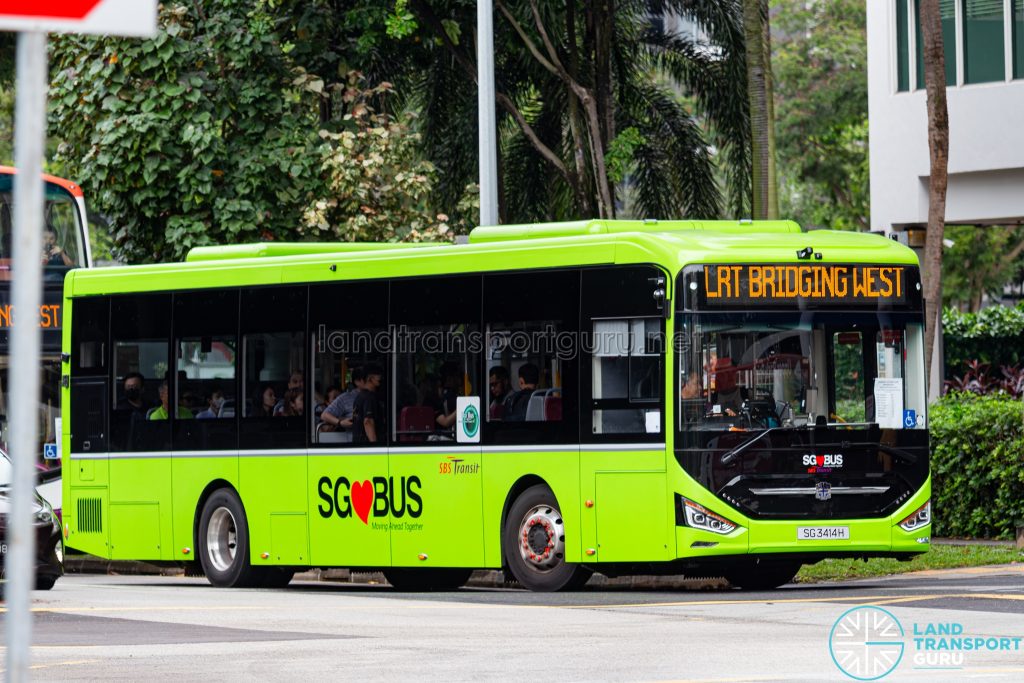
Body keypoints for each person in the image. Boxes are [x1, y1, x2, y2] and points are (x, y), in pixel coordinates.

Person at [320, 366, 365, 431]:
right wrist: (340, 422)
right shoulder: (346, 397)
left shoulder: (374, 396)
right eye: (369, 379)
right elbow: (325, 415)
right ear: (357, 381)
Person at [352, 363, 383, 444]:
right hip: (367, 445)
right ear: (370, 378)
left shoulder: (360, 396)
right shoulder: (369, 397)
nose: (381, 377)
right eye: (378, 375)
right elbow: (368, 421)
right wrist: (375, 446)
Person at [435, 361, 462, 431]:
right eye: (457, 376)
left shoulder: (455, 395)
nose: (460, 381)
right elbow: (445, 422)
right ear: (449, 379)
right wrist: (463, 407)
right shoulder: (442, 399)